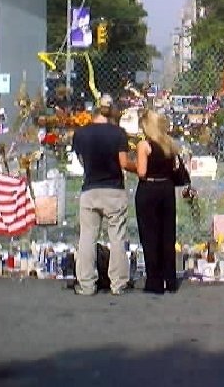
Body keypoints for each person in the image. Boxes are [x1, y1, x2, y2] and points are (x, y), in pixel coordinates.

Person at [72, 94, 136, 296]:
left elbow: (82, 162)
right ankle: (118, 284)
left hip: (90, 188)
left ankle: (87, 284)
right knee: (116, 238)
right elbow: (123, 163)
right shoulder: (119, 134)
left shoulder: (80, 134)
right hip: (114, 189)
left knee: (87, 237)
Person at [134, 109, 181, 294]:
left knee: (150, 235)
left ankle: (154, 281)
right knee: (167, 234)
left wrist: (133, 165)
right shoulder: (169, 144)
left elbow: (142, 172)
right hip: (167, 189)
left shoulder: (144, 145)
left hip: (149, 190)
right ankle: (170, 279)